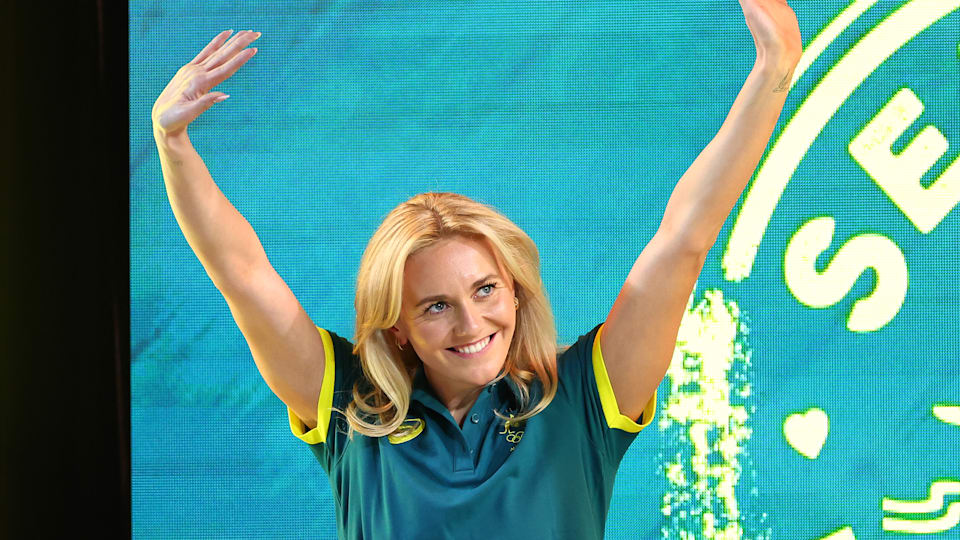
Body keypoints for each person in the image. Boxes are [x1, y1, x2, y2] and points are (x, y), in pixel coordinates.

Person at [151, 2, 801, 538]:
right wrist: (171, 143)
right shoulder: (352, 409)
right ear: (398, 328)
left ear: (515, 294)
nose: (471, 322)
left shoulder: (582, 400)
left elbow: (683, 241)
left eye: (486, 290)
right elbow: (242, 273)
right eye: (435, 305)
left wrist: (776, 68)